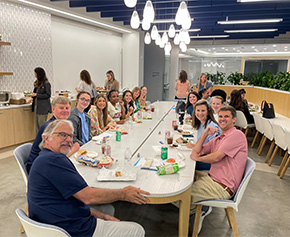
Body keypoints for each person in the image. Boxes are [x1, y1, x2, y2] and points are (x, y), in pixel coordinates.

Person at [28, 119, 149, 237]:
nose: (69, 140)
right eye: (62, 135)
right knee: (136, 230)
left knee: (107, 209)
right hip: (70, 229)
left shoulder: (45, 158)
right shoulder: (54, 160)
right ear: (46, 138)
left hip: (56, 220)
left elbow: (75, 199)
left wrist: (101, 216)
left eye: (71, 136)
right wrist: (123, 194)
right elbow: (88, 197)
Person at [188, 105, 247, 233]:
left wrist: (197, 159)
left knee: (182, 196)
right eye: (220, 116)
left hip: (221, 186)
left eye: (226, 116)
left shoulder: (237, 135)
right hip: (212, 178)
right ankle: (195, 208)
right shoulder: (220, 138)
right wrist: (205, 133)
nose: (222, 119)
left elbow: (216, 157)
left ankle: (200, 209)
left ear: (234, 120)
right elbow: (197, 150)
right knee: (183, 178)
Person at [27, 96, 79, 173]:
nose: (65, 111)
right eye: (61, 108)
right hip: (39, 168)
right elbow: (55, 157)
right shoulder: (49, 127)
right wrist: (73, 149)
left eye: (67, 108)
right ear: (53, 109)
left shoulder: (62, 125)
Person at [187, 99, 221, 170]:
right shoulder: (200, 124)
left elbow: (214, 151)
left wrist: (195, 148)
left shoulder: (212, 127)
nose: (200, 113)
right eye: (198, 110)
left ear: (208, 112)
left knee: (188, 163)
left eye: (203, 111)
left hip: (211, 162)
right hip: (204, 155)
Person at [31, 67, 51, 133]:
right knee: (37, 126)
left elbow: (48, 95)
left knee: (42, 126)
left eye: (35, 74)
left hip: (43, 108)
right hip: (37, 107)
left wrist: (37, 95)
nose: (35, 75)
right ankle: (38, 140)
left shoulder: (46, 83)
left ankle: (43, 141)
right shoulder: (37, 83)